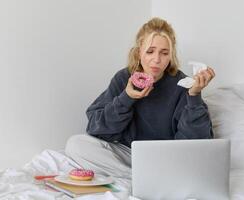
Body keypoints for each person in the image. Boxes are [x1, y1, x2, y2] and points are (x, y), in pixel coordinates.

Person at [65, 17, 215, 179]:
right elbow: (96, 129)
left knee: (191, 164)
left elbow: (196, 144)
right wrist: (126, 98)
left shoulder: (183, 85)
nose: (156, 60)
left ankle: (148, 177)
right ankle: (141, 178)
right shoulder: (123, 78)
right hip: (129, 155)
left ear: (171, 56)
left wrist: (194, 95)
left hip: (164, 158)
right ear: (139, 52)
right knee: (76, 144)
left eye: (164, 53)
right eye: (150, 51)